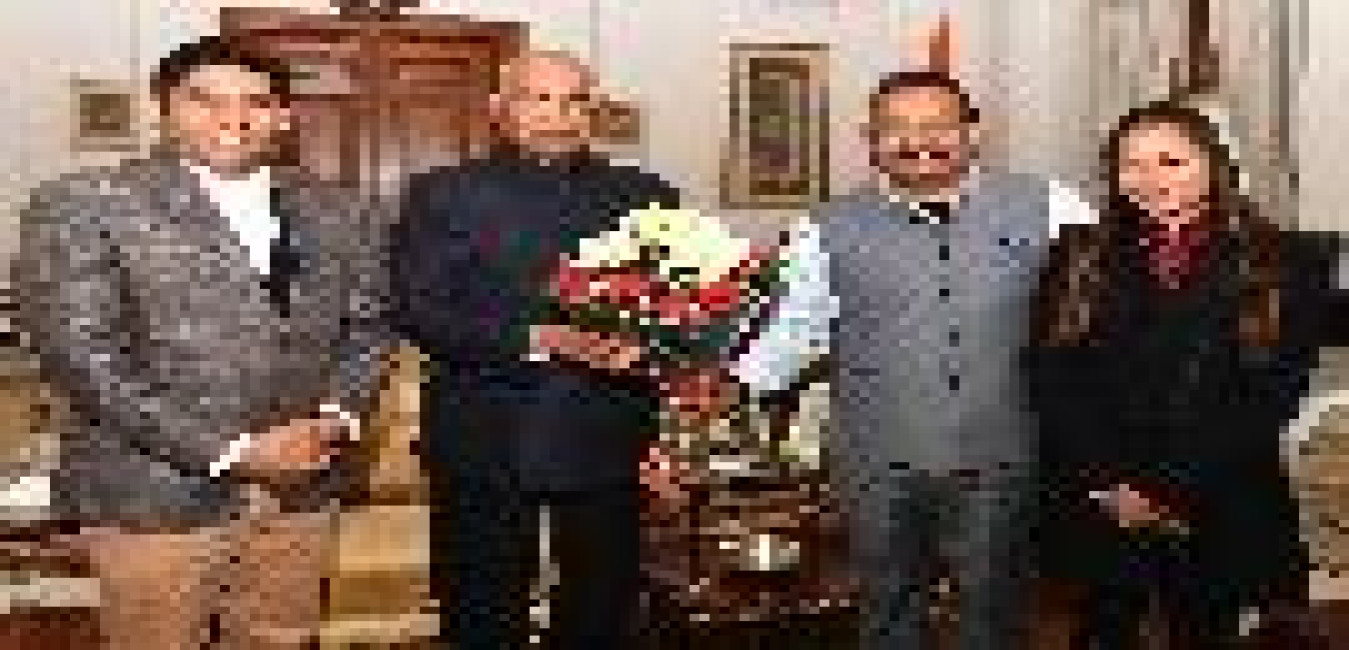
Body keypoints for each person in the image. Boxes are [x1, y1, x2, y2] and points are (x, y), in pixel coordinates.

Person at [16, 36, 386, 650]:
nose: (233, 117)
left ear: (283, 116)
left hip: (301, 487)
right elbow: (80, 360)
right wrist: (234, 451)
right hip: (154, 496)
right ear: (164, 109)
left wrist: (336, 419)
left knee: (279, 639)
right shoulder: (84, 203)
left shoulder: (343, 210)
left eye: (256, 102)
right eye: (205, 99)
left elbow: (368, 327)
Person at [722, 70, 1097, 650]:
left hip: (1001, 457)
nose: (917, 141)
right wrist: (722, 374)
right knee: (888, 608)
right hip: (877, 462)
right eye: (894, 128)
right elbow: (795, 333)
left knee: (995, 611)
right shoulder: (823, 228)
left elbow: (1097, 319)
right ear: (870, 140)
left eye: (937, 125)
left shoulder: (1051, 208)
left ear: (972, 133)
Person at [391, 50, 680, 650]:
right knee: (482, 615)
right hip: (485, 437)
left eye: (574, 101)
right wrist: (539, 338)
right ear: (499, 108)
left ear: (593, 112)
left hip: (609, 435)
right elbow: (420, 313)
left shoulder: (647, 195)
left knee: (602, 611)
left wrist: (660, 411)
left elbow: (669, 313)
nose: (557, 115)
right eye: (538, 98)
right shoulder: (443, 193)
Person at [1027, 100, 1338, 649]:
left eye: (1171, 161)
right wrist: (1108, 480)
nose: (1149, 179)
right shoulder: (1077, 254)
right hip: (1105, 497)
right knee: (1102, 630)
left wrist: (1164, 489)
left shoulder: (1288, 259)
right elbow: (1051, 374)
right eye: (1131, 164)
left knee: (1203, 630)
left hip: (1218, 495)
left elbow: (1274, 394)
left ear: (1214, 165)